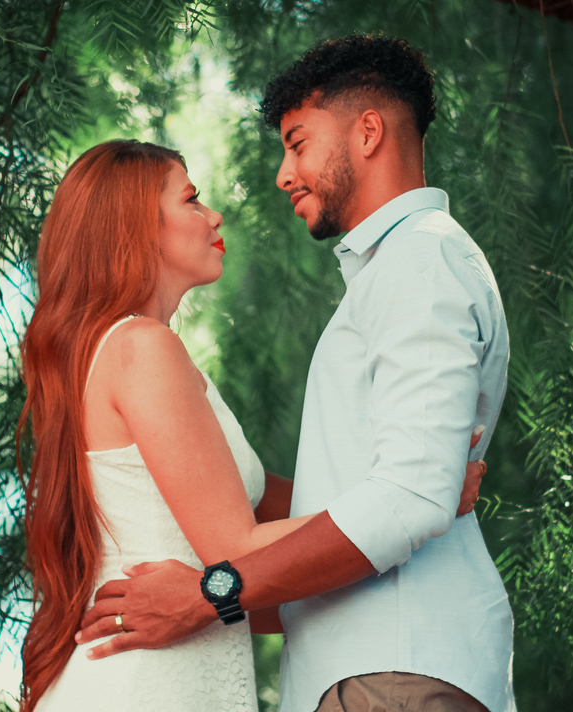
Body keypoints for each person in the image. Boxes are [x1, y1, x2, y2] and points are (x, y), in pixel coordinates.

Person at [78, 34, 517, 712]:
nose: (283, 174)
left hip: (392, 672)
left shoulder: (419, 264)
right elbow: (380, 497)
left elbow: (409, 497)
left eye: (298, 143)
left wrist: (211, 594)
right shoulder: (396, 272)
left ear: (368, 132)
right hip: (365, 670)